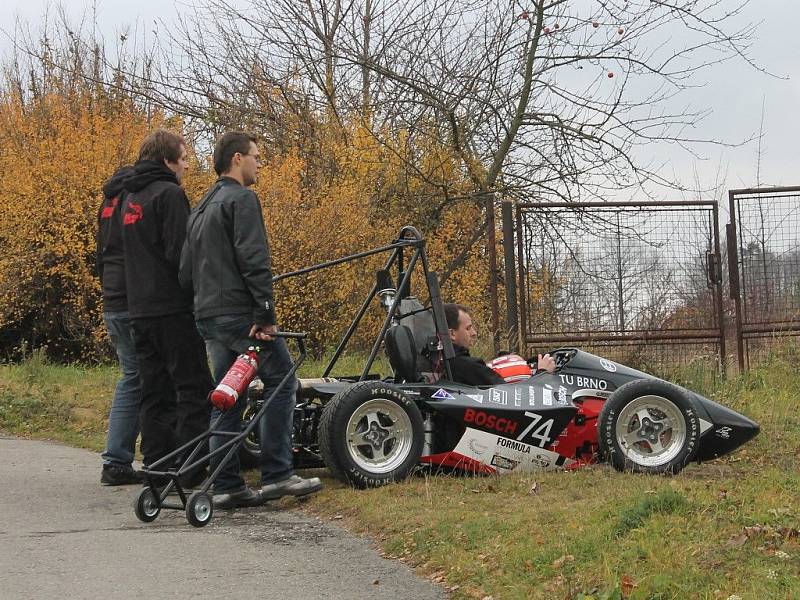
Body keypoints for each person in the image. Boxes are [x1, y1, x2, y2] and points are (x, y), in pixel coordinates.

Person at [180, 131, 322, 509]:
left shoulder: (201, 207)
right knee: (282, 381)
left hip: (207, 314)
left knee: (228, 395)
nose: (260, 163)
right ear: (237, 158)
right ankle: (277, 474)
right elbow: (254, 259)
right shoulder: (242, 199)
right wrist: (265, 314)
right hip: (242, 316)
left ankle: (227, 485)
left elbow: (184, 271)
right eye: (256, 157)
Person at [121, 130, 213, 482]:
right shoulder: (170, 195)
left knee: (154, 388)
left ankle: (157, 464)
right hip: (172, 307)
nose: (188, 165)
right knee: (192, 386)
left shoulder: (132, 197)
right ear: (167, 160)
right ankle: (190, 465)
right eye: (184, 158)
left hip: (139, 308)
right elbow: (181, 254)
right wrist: (197, 293)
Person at [97, 165, 143, 485]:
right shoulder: (135, 197)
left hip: (112, 299)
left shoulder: (108, 201)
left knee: (132, 377)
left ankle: (116, 459)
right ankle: (118, 460)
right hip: (133, 299)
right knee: (142, 378)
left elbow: (102, 253)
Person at [443, 303, 555, 385]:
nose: (474, 333)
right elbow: (516, 400)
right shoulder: (468, 367)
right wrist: (543, 373)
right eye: (468, 328)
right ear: (452, 334)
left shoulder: (442, 364)